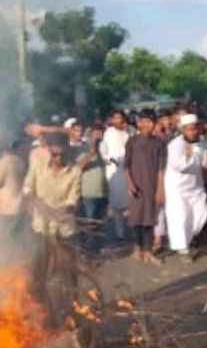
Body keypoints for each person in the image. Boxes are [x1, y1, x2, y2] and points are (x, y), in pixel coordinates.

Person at [23, 132, 94, 323]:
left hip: (65, 229)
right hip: (41, 228)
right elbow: (28, 190)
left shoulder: (75, 172)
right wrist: (39, 206)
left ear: (67, 152)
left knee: (69, 273)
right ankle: (43, 315)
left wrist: (64, 210)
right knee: (37, 277)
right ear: (48, 151)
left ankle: (72, 312)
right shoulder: (38, 166)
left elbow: (73, 200)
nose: (57, 159)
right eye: (54, 154)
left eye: (61, 154)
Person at [164, 114, 207, 261]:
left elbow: (206, 163)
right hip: (177, 189)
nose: (193, 132)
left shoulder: (202, 142)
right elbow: (178, 166)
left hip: (196, 186)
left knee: (202, 213)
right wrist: (189, 155)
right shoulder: (175, 145)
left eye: (195, 129)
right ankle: (183, 250)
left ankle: (190, 240)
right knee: (181, 218)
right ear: (183, 130)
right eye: (189, 130)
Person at [123, 109, 166, 264]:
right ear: (138, 123)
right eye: (143, 121)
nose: (146, 124)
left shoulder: (159, 143)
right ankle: (137, 248)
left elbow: (161, 168)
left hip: (152, 185)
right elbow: (126, 165)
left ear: (154, 123)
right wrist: (129, 182)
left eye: (150, 121)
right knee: (136, 219)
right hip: (136, 186)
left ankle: (148, 251)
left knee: (149, 219)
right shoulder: (132, 141)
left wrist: (161, 189)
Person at [100, 109, 133, 242]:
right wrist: (111, 160)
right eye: (115, 118)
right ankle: (120, 232)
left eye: (119, 117)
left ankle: (130, 229)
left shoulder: (129, 132)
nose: (117, 120)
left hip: (128, 170)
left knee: (130, 202)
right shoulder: (108, 133)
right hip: (114, 171)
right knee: (116, 205)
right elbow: (103, 151)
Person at [0, 138, 27, 257]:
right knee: (18, 240)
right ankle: (20, 266)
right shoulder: (20, 161)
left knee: (4, 242)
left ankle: (7, 269)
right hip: (21, 206)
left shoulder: (2, 163)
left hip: (7, 209)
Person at [77, 125, 108, 254]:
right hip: (88, 192)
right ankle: (89, 249)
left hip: (103, 191)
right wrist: (92, 152)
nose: (98, 135)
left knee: (100, 221)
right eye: (95, 132)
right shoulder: (82, 148)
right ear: (90, 134)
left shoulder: (105, 147)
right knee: (90, 221)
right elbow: (78, 167)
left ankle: (97, 247)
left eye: (100, 132)